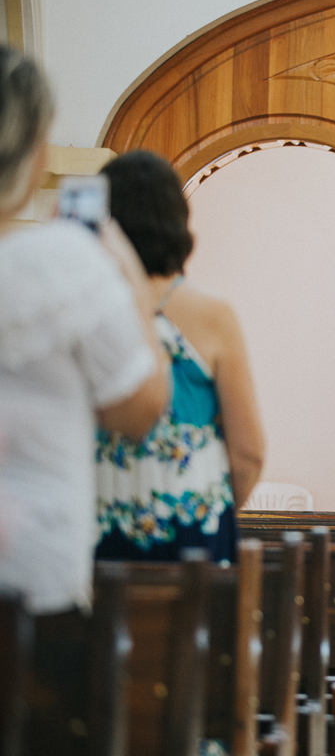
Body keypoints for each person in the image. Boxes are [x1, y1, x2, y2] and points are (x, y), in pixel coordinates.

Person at [0, 45, 170, 752]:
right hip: (30, 584)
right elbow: (138, 409)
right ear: (37, 152)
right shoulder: (65, 263)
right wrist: (127, 277)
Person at [94, 150, 265, 565]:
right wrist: (205, 509)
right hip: (192, 540)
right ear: (177, 222)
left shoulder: (85, 309)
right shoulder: (212, 315)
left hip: (99, 531)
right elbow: (248, 453)